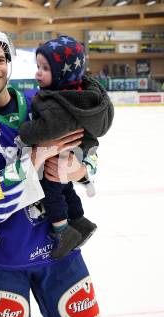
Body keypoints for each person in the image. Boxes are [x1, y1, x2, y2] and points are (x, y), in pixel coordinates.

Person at [0, 28, 101, 317]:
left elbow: (89, 150)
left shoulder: (45, 103)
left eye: (0, 58)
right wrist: (35, 158)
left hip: (62, 250)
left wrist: (81, 170)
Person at [18, 35, 114, 258]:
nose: (37, 73)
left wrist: (25, 134)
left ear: (62, 73)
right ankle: (80, 221)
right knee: (66, 189)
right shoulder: (80, 95)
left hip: (61, 156)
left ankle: (62, 230)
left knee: (51, 189)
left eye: (44, 68)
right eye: (38, 66)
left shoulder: (57, 103)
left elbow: (46, 129)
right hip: (75, 151)